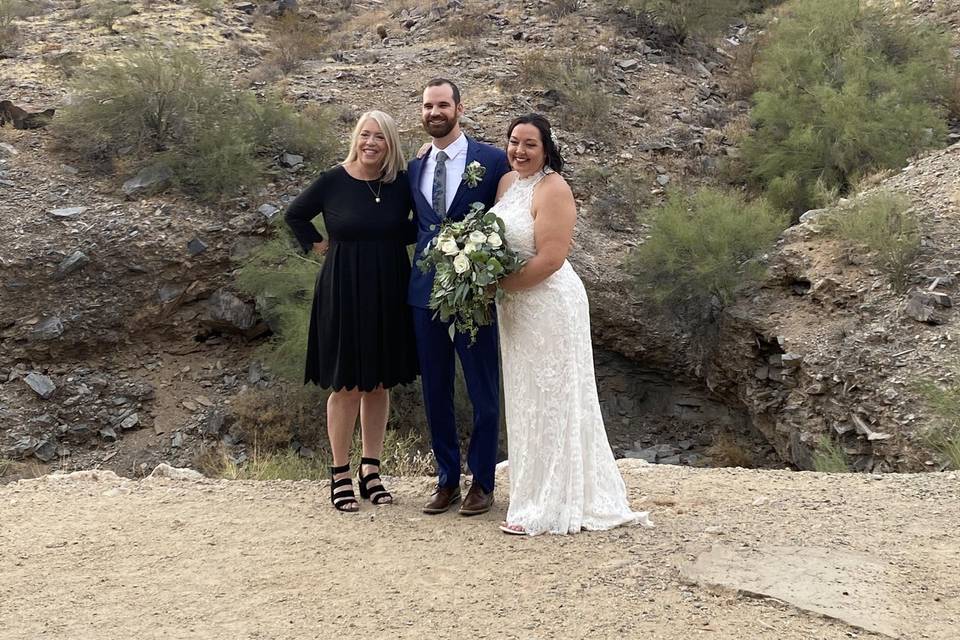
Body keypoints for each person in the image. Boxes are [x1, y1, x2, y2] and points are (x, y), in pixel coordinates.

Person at [490, 114, 653, 535]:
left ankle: (552, 504)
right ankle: (529, 493)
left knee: (554, 397)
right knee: (525, 398)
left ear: (546, 149)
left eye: (530, 144)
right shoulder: (508, 185)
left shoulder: (554, 187)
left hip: (549, 304)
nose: (519, 151)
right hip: (516, 310)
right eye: (514, 142)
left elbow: (551, 258)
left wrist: (498, 284)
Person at [285, 110, 419, 513]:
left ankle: (371, 470)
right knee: (346, 384)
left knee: (379, 383)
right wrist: (317, 244)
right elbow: (294, 214)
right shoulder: (333, 180)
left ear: (390, 143)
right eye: (365, 135)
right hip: (344, 289)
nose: (371, 143)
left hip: (390, 286)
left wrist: (395, 235)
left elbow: (422, 223)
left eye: (379, 137)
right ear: (355, 139)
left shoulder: (400, 184)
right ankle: (339, 473)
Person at [408, 79, 511, 516]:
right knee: (435, 389)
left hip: (474, 294)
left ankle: (483, 482)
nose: (435, 112)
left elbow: (510, 214)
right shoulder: (414, 167)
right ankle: (446, 478)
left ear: (459, 109)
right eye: (428, 105)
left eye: (443, 104)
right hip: (423, 293)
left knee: (483, 389)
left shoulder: (492, 159)